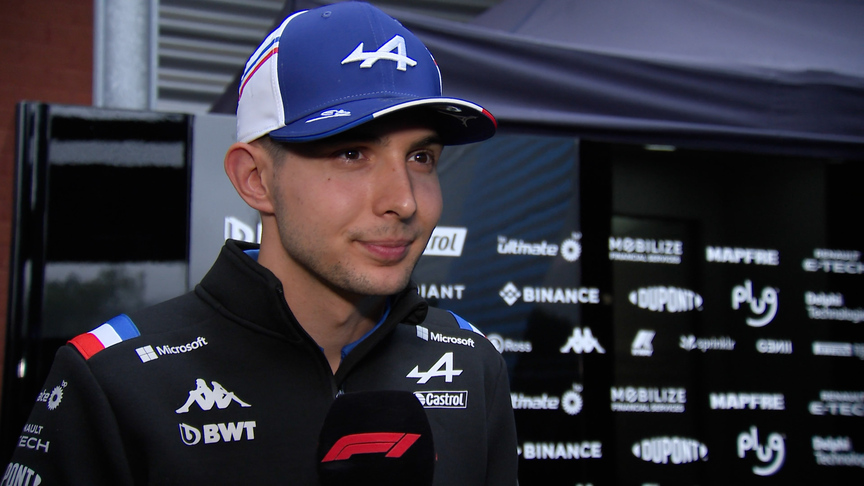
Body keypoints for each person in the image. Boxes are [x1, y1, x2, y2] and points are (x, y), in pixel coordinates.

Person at [2, 2, 517, 485]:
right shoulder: (112, 381)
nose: (403, 201)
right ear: (255, 179)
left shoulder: (472, 363)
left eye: (421, 158)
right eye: (352, 153)